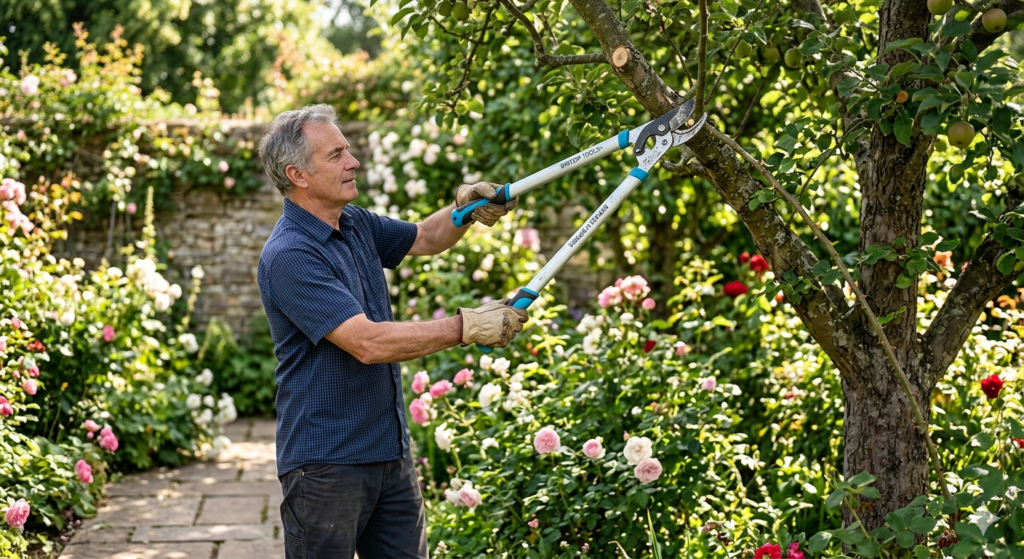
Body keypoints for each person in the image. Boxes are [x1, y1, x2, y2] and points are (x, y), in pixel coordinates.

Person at [255, 104, 529, 558]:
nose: (353, 161)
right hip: (326, 465)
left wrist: (464, 210)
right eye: (336, 154)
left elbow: (424, 237)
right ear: (297, 174)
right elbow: (367, 342)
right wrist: (468, 326)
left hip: (389, 456)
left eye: (349, 150)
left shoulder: (354, 223)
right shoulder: (290, 255)